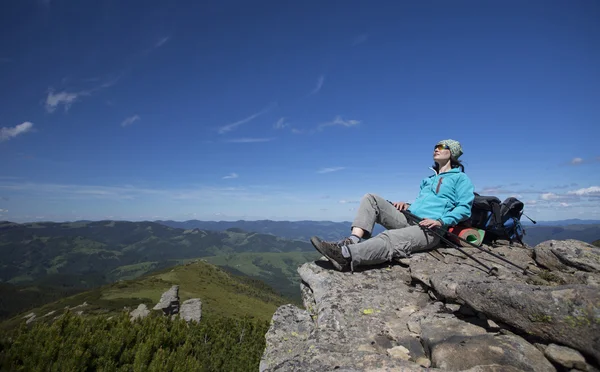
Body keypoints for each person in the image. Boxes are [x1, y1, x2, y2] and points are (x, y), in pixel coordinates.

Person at [310, 139, 475, 272]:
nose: (436, 149)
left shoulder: (460, 179)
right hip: (410, 217)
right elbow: (424, 204)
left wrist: (440, 221)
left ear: (451, 153)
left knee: (390, 238)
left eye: (441, 146)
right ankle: (351, 241)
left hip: (431, 229)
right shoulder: (428, 180)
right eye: (435, 146)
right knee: (371, 198)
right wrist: (407, 204)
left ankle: (345, 256)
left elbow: (464, 208)